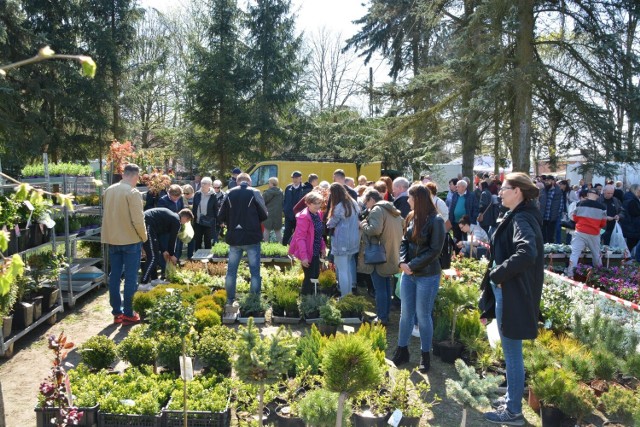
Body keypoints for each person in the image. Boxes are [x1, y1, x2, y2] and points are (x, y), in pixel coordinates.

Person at [482, 172, 544, 426]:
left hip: (511, 291)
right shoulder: (518, 215)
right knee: (511, 352)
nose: (500, 191)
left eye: (505, 188)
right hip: (509, 289)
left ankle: (512, 411)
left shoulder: (521, 218)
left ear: (517, 191)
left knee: (512, 353)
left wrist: (498, 274)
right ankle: (511, 401)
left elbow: (526, 252)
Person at [391, 184, 445, 373]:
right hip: (409, 274)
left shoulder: (436, 221)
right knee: (405, 314)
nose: (407, 201)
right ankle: (402, 350)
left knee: (423, 316)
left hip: (427, 275)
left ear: (419, 200)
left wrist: (411, 266)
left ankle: (425, 355)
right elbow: (404, 241)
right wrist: (403, 262)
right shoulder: (412, 217)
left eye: (410, 198)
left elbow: (435, 250)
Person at [102, 164, 147, 325]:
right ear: (135, 176)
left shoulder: (109, 190)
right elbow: (138, 220)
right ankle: (128, 313)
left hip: (113, 239)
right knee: (130, 277)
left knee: (114, 276)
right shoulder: (133, 192)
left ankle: (117, 313)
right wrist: (144, 238)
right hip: (130, 240)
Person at [217, 173, 268, 305]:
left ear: (237, 181)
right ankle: (254, 300)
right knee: (255, 271)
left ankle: (229, 299)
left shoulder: (228, 193)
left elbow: (220, 215)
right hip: (252, 237)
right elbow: (264, 214)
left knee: (231, 271)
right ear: (249, 182)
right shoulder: (255, 192)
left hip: (234, 237)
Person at [359, 188, 403, 325]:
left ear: (371, 199)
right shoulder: (392, 210)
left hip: (378, 255)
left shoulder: (377, 210)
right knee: (386, 287)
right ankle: (385, 315)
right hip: (391, 253)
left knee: (380, 288)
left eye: (366, 202)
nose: (366, 206)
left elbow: (375, 230)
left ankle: (382, 317)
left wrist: (363, 224)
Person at [141, 208, 194, 284]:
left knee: (154, 255)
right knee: (153, 257)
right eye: (187, 221)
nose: (185, 223)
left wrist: (164, 250)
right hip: (147, 223)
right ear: (185, 217)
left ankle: (154, 279)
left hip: (150, 225)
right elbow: (172, 240)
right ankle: (143, 283)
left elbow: (159, 236)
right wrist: (172, 255)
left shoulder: (171, 218)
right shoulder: (176, 221)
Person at [326, 183, 361, 298]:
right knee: (348, 270)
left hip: (341, 242)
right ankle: (349, 295)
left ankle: (345, 297)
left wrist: (328, 221)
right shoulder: (353, 203)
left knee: (342, 271)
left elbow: (331, 224)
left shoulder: (339, 207)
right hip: (353, 241)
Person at [288, 192, 326, 295]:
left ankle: (311, 299)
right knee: (309, 278)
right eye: (315, 203)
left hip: (316, 250)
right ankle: (305, 301)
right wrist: (304, 257)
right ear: (308, 203)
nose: (318, 206)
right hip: (308, 251)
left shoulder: (318, 214)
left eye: (319, 203)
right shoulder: (303, 217)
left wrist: (323, 247)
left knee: (315, 275)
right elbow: (300, 238)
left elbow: (319, 233)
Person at [565, 189, 606, 278]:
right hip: (594, 233)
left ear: (588, 194)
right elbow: (603, 223)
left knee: (575, 253)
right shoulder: (602, 207)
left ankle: (570, 274)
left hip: (580, 231)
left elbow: (574, 218)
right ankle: (599, 275)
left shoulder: (579, 204)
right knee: (596, 254)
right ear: (597, 196)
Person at [449, 179, 479, 245]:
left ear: (464, 187)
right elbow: (451, 208)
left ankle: (466, 254)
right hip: (456, 222)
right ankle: (457, 254)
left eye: (458, 186)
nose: (456, 188)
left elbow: (476, 209)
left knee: (467, 240)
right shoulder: (455, 195)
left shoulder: (471, 196)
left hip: (466, 223)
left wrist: (472, 219)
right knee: (456, 240)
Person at [192, 177, 217, 253]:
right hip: (198, 221)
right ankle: (197, 258)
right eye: (202, 183)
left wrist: (218, 221)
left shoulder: (214, 195)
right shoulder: (197, 194)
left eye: (204, 183)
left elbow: (216, 209)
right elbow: (194, 208)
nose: (202, 185)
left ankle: (207, 258)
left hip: (208, 222)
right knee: (197, 240)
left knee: (207, 240)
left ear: (209, 185)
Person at [538, 175, 562, 244]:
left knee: (550, 235)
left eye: (549, 180)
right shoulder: (542, 190)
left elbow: (560, 204)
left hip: (552, 216)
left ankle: (551, 249)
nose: (547, 182)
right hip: (543, 215)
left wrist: (557, 215)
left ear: (553, 181)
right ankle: (543, 248)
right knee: (542, 235)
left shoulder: (558, 191)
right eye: (546, 180)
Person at [282, 171, 305, 245]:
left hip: (299, 215)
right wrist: (285, 210)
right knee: (287, 231)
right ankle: (284, 247)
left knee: (298, 232)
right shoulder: (288, 187)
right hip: (288, 214)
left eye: (296, 178)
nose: (294, 180)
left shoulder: (304, 188)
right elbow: (285, 200)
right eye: (293, 178)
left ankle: (296, 247)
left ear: (300, 178)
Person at [620, 183, 640, 261]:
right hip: (632, 228)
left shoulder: (630, 198)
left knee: (630, 246)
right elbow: (634, 213)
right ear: (635, 190)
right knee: (630, 246)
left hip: (631, 227)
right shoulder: (631, 200)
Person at [262, 177, 284, 242]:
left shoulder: (267, 192)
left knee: (266, 230)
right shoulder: (281, 192)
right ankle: (281, 246)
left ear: (271, 183)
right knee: (278, 230)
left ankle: (265, 244)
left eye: (269, 183)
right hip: (278, 213)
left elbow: (262, 202)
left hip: (269, 213)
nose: (268, 184)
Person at [182, 184, 196, 258]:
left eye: (187, 193)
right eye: (184, 193)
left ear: (192, 192)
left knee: (191, 238)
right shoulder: (182, 199)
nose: (185, 195)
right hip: (183, 222)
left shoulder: (195, 198)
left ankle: (190, 255)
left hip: (192, 222)